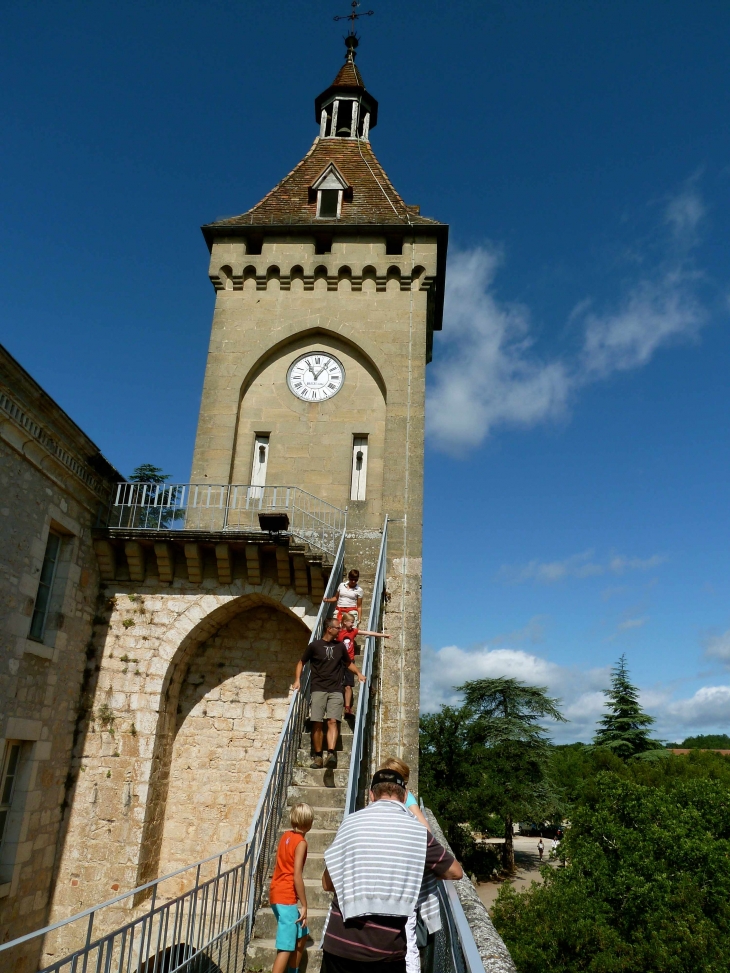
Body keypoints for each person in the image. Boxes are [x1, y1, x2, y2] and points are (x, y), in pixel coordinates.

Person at [320, 768, 463, 973]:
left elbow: (327, 883)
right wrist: (411, 869)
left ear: (371, 795)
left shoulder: (349, 823)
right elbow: (455, 872)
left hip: (339, 944)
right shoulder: (417, 833)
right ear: (405, 796)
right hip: (385, 950)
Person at [293, 618, 366, 769]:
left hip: (335, 689)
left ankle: (331, 754)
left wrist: (358, 673)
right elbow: (301, 662)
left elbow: (348, 663)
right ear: (329, 629)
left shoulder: (340, 647)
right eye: (337, 628)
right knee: (317, 723)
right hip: (318, 688)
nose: (340, 630)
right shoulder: (314, 646)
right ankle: (318, 756)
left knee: (333, 721)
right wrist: (297, 680)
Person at [379, 758, 429, 973]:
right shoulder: (399, 797)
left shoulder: (406, 797)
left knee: (406, 936)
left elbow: (425, 828)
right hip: (396, 873)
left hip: (395, 873)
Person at [269, 802, 314, 973]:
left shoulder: (285, 836)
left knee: (302, 934)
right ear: (309, 822)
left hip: (276, 892)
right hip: (286, 896)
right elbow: (297, 875)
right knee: (286, 947)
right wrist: (305, 905)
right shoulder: (301, 842)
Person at [337, 613, 390, 715]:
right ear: (344, 622)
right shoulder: (338, 632)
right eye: (351, 622)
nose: (353, 624)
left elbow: (368, 632)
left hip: (349, 661)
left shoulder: (353, 631)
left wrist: (384, 635)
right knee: (338, 685)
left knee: (348, 685)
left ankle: (347, 707)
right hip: (338, 661)